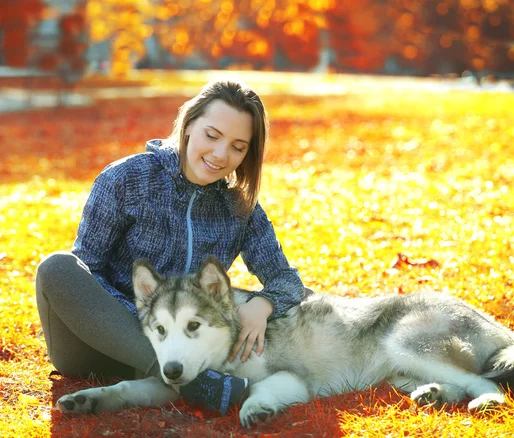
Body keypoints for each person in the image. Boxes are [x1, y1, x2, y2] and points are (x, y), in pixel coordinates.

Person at [35, 80, 309, 415]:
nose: (220, 155)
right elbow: (87, 268)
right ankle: (195, 385)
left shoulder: (240, 209)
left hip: (183, 355)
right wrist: (148, 322)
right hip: (99, 342)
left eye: (238, 147)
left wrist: (263, 304)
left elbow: (288, 281)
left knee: (273, 299)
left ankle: (178, 381)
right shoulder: (126, 179)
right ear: (189, 124)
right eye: (212, 135)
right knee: (57, 268)